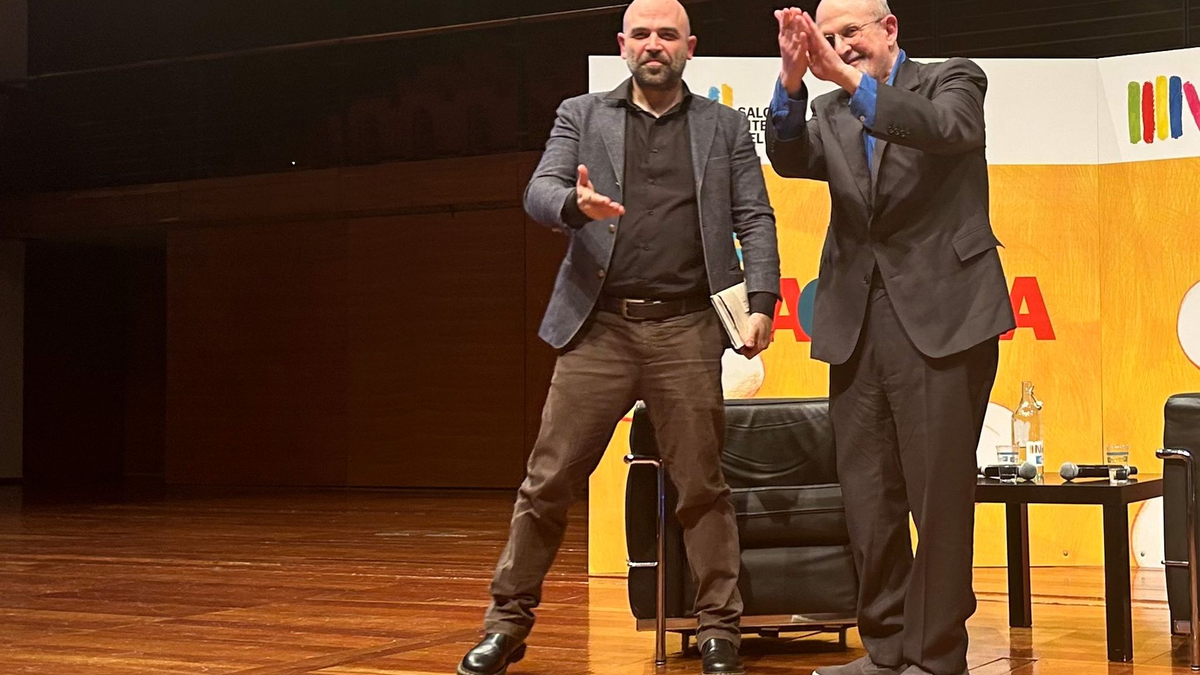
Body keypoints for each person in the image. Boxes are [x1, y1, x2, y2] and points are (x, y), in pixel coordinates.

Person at [456, 1, 780, 674]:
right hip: (599, 327)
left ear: (690, 46)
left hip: (687, 328)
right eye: (642, 34)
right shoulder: (581, 115)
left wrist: (761, 302)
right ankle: (506, 624)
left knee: (702, 487)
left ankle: (719, 629)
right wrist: (573, 204)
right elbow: (539, 190)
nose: (654, 44)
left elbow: (754, 214)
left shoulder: (721, 125)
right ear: (622, 44)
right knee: (547, 482)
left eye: (667, 34)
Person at [765, 2, 1016, 675]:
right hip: (856, 318)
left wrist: (848, 81)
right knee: (868, 495)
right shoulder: (828, 110)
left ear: (890, 29)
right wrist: (792, 81)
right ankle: (886, 647)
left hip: (942, 317)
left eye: (851, 32)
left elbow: (948, 129)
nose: (841, 45)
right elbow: (788, 157)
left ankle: (935, 655)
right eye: (828, 37)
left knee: (937, 495)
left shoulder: (952, 79)